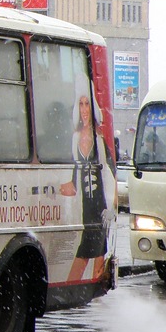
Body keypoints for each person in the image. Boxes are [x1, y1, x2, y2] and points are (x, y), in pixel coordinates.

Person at [60, 93, 113, 281]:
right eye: (81, 104)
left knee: (94, 250)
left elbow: (107, 172)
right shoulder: (75, 138)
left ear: (93, 109)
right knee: (89, 250)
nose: (84, 109)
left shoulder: (99, 140)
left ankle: (90, 285)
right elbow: (75, 173)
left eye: (87, 105)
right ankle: (86, 286)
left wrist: (111, 205)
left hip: (99, 203)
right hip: (84, 204)